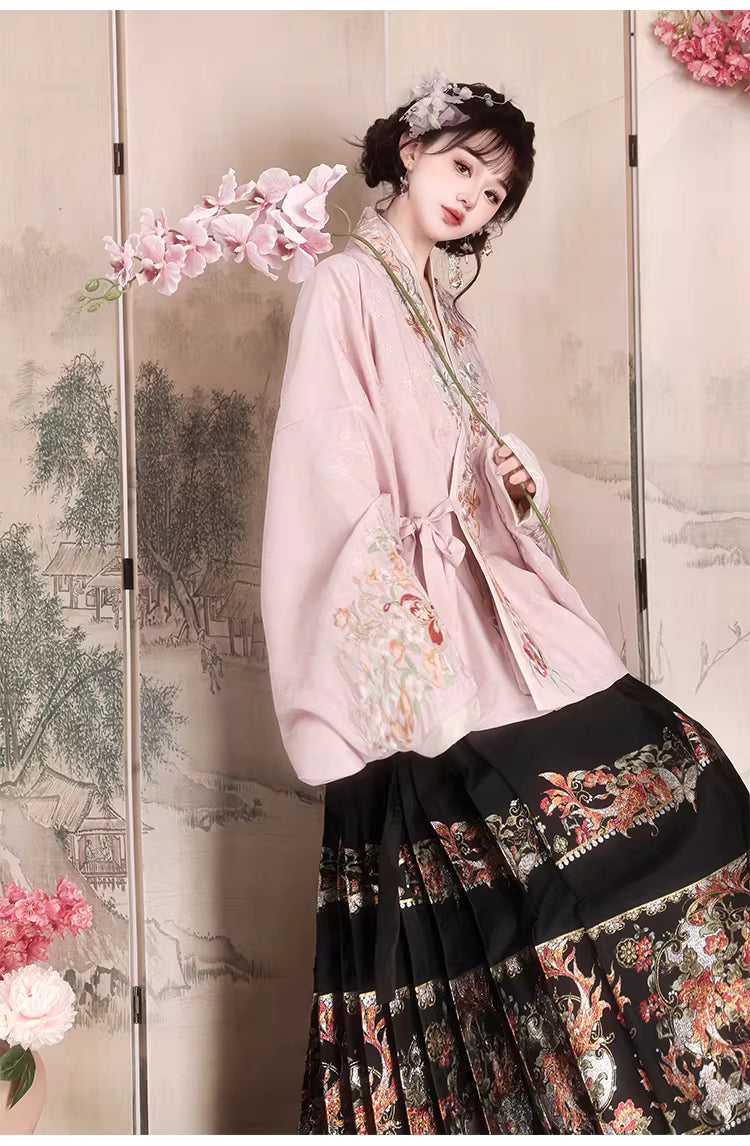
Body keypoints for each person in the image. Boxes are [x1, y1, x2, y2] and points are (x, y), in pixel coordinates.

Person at [261, 75, 750, 1135]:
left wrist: (507, 478)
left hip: (494, 598)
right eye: (463, 166)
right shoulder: (344, 285)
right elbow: (327, 466)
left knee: (685, 780)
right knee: (487, 889)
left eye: (494, 192)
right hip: (411, 621)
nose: (474, 198)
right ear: (408, 150)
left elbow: (465, 461)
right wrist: (405, 631)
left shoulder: (448, 316)